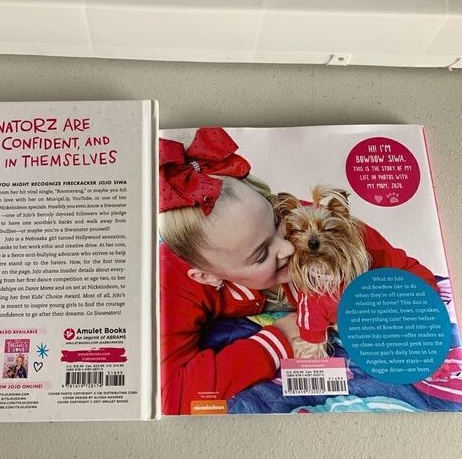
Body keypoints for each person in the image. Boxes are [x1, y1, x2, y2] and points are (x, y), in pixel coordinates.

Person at [159, 128, 438, 416]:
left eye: (279, 225)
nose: (288, 248)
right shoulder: (172, 282)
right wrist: (281, 334)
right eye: (262, 254)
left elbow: (417, 281)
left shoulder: (320, 229)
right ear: (207, 276)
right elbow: (170, 394)